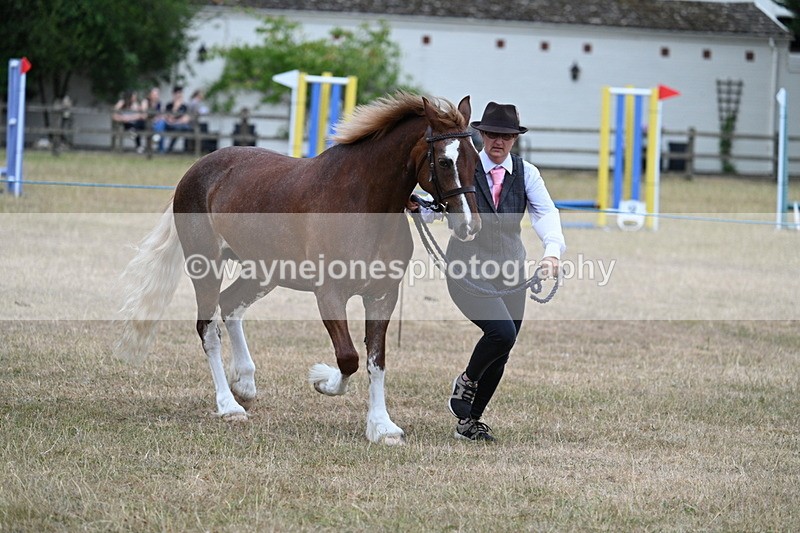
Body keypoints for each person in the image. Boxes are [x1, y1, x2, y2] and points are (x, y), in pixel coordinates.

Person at [411, 101, 566, 442]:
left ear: (515, 139)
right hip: (466, 269)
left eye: (506, 136)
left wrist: (552, 252)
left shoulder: (527, 173)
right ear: (481, 134)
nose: (499, 141)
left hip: (511, 271)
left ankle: (469, 423)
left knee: (502, 350)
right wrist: (418, 208)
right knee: (502, 333)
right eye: (493, 134)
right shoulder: (463, 165)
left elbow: (545, 213)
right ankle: (466, 381)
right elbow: (438, 207)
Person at [153, 86, 193, 153]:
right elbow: (169, 118)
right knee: (163, 125)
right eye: (178, 94)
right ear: (174, 94)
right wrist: (176, 107)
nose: (179, 96)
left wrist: (176, 122)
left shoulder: (184, 106)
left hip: (179, 125)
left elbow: (186, 119)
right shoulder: (169, 105)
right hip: (170, 125)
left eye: (180, 94)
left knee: (185, 128)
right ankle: (167, 148)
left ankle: (185, 150)